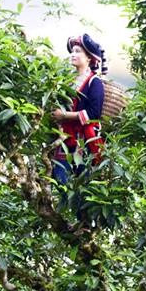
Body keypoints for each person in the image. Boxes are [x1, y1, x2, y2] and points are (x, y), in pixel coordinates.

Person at [51, 33, 107, 185]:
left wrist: (64, 115)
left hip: (84, 142)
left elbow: (94, 113)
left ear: (89, 58)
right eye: (72, 51)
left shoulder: (94, 82)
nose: (73, 55)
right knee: (59, 183)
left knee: (80, 186)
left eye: (78, 51)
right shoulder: (67, 80)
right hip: (64, 139)